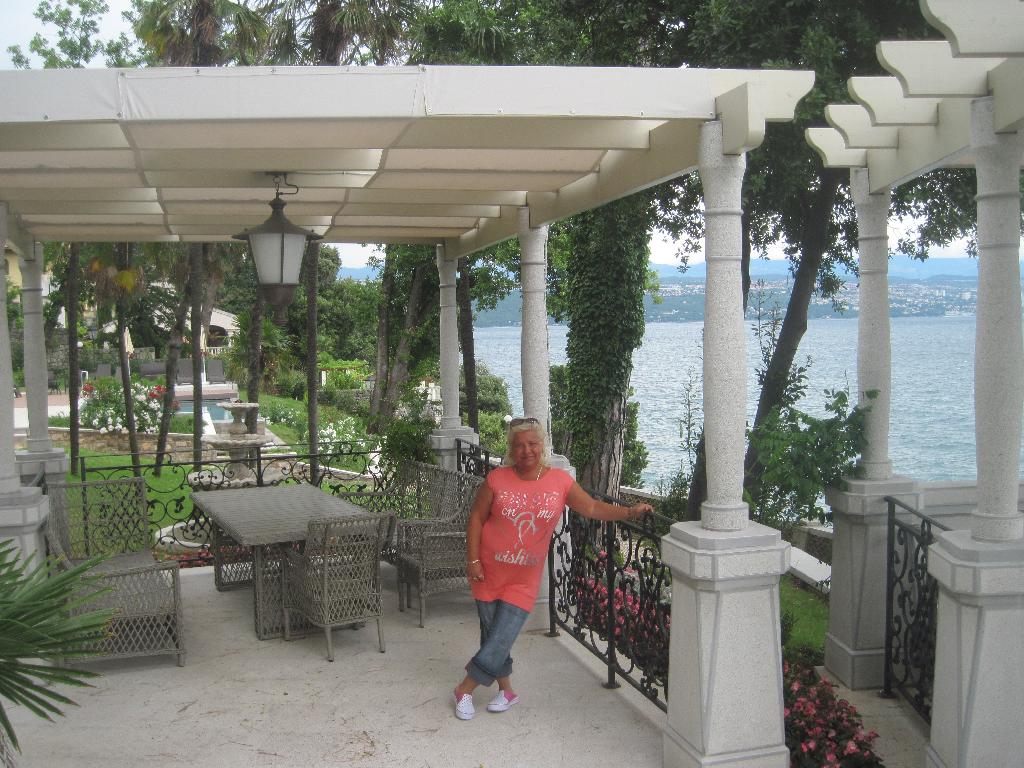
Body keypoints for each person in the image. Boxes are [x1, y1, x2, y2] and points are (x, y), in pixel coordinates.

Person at [452, 416, 654, 720]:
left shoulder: (559, 481)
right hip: (488, 571)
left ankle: (465, 689)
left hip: (523, 579)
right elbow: (476, 519)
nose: (526, 451)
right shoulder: (496, 479)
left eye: (532, 444)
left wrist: (628, 512)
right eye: (519, 445)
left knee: (503, 634)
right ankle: (507, 691)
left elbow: (592, 507)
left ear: (542, 445)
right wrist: (473, 561)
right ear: (511, 449)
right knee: (494, 636)